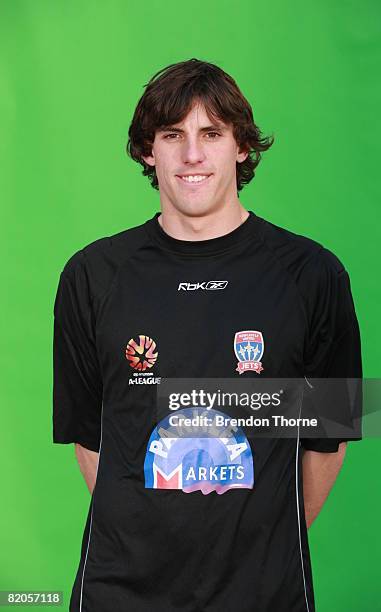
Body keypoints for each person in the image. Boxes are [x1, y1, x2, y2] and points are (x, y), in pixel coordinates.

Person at [52, 58, 362, 612]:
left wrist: (254, 544)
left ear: (241, 147)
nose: (192, 155)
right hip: (120, 592)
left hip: (265, 592)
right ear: (149, 150)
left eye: (211, 134)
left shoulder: (314, 275)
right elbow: (89, 438)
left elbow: (328, 441)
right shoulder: (92, 275)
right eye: (172, 135)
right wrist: (153, 532)